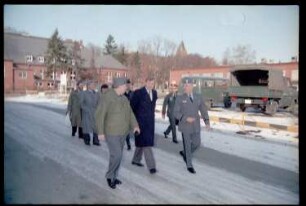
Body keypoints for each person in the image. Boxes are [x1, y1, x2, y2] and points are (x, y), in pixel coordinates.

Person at [95, 77, 140, 189]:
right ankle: (109, 176)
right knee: (118, 155)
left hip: (123, 132)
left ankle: (114, 176)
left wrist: (135, 125)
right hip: (112, 132)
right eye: (125, 86)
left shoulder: (124, 98)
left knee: (116, 156)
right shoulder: (107, 97)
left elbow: (130, 114)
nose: (127, 87)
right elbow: (99, 115)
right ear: (119, 86)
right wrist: (100, 132)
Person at [173, 77, 211, 174]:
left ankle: (186, 152)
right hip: (185, 125)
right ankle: (189, 164)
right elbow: (175, 113)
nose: (185, 87)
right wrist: (185, 118)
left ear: (192, 86)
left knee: (197, 144)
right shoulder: (180, 98)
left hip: (196, 125)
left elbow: (203, 110)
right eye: (184, 85)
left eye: (187, 85)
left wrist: (207, 122)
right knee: (187, 145)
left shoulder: (198, 96)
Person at [130, 77, 158, 174]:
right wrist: (134, 122)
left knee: (141, 142)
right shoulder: (138, 93)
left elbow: (152, 107)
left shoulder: (154, 93)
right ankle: (152, 166)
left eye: (153, 83)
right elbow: (132, 107)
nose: (151, 85)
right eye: (150, 82)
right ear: (145, 82)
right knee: (146, 144)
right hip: (140, 122)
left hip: (150, 122)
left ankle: (135, 160)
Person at [80, 80, 100, 146]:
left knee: (96, 127)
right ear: (88, 86)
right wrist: (86, 109)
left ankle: (96, 140)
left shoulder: (96, 93)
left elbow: (99, 103)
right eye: (92, 85)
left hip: (95, 112)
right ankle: (87, 139)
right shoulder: (84, 93)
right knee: (86, 126)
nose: (94, 86)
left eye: (94, 85)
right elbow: (81, 103)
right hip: (87, 112)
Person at [124, 79, 133, 150]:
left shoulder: (132, 93)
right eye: (127, 85)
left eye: (129, 85)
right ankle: (127, 143)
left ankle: (128, 142)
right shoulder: (121, 93)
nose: (128, 86)